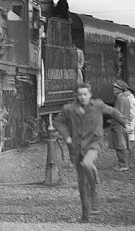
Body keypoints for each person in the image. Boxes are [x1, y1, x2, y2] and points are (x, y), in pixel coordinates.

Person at [54, 83, 129, 222]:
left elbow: (112, 112)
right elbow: (58, 122)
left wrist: (125, 123)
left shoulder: (98, 105)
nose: (83, 97)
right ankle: (85, 216)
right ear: (76, 96)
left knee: (87, 163)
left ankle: (94, 189)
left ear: (90, 95)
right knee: (82, 183)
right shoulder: (69, 109)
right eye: (80, 95)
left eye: (85, 94)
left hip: (94, 143)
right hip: (76, 147)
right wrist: (67, 136)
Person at [110, 79, 135, 171]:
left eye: (115, 87)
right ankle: (125, 163)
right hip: (121, 124)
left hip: (119, 125)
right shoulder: (124, 98)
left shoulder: (121, 99)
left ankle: (123, 165)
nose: (113, 89)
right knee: (122, 144)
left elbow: (119, 113)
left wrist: (115, 122)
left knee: (120, 145)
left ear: (120, 89)